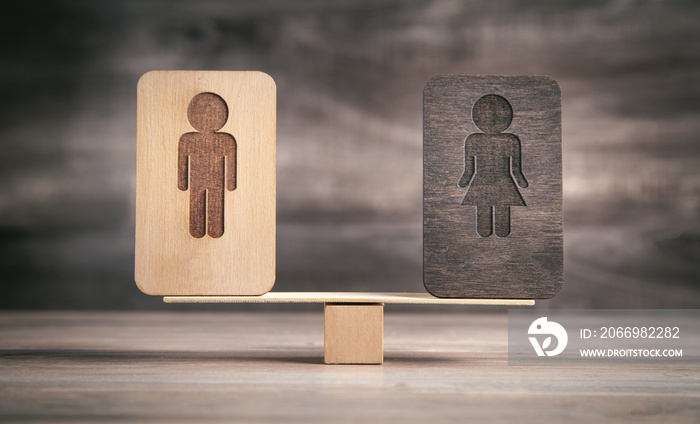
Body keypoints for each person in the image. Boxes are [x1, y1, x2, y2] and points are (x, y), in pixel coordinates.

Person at [458, 94, 527, 237]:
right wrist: (521, 182)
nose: (492, 119)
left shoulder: (508, 140)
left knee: (496, 210)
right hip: (498, 181)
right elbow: (515, 169)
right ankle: (487, 234)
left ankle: (495, 234)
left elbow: (469, 169)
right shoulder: (508, 140)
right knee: (487, 210)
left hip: (487, 180)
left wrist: (464, 181)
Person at [177, 92, 237, 238]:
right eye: (202, 112)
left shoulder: (226, 140)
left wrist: (230, 183)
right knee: (196, 206)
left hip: (216, 181)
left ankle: (215, 230)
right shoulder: (187, 140)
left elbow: (231, 163)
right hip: (197, 181)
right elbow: (182, 162)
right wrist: (182, 182)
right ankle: (196, 231)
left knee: (215, 207)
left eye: (212, 112)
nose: (207, 116)